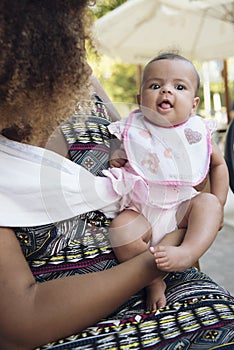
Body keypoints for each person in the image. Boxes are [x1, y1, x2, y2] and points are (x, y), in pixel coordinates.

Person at [0, 2, 234, 350]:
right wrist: (167, 252)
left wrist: (196, 208)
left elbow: (148, 154)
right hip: (82, 325)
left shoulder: (80, 82)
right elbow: (21, 324)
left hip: (175, 280)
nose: (80, 52)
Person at [106, 53, 229, 311]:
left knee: (206, 202)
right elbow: (120, 150)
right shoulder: (132, 129)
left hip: (181, 208)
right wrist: (118, 154)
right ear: (140, 100)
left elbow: (218, 166)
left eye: (179, 86)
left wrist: (218, 204)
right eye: (155, 85)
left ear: (194, 104)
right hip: (142, 210)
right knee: (121, 228)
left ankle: (188, 252)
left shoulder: (196, 131)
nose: (166, 90)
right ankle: (151, 280)